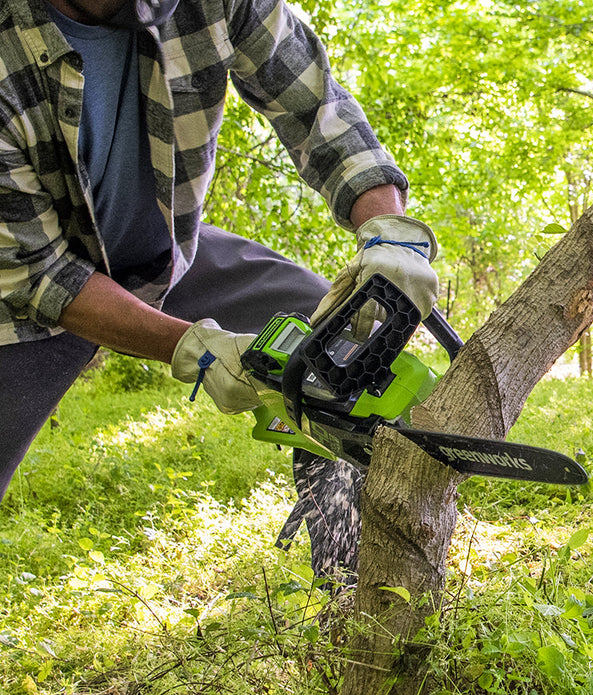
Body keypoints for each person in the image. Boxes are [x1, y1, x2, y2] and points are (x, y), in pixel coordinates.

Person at [0, 0, 439, 576]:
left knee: (331, 344)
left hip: (167, 251)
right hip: (24, 295)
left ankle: (352, 585)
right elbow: (38, 273)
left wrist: (390, 232)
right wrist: (197, 349)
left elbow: (315, 106)